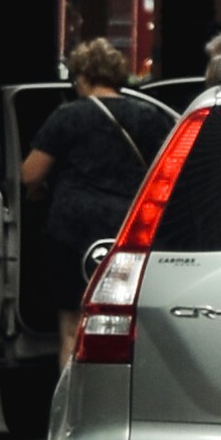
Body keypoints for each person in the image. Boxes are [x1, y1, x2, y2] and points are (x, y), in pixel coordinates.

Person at [18, 36, 173, 294]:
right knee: (123, 306)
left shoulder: (67, 116)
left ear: (82, 76)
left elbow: (30, 175)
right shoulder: (149, 116)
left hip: (72, 226)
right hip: (129, 226)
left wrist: (41, 192)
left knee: (73, 315)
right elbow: (169, 174)